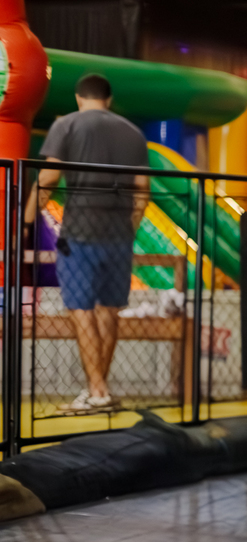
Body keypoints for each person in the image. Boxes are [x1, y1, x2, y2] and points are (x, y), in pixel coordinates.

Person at [25, 73, 149, 414]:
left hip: (79, 234)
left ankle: (97, 392)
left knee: (81, 310)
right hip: (119, 236)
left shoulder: (66, 125)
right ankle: (98, 391)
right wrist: (130, 227)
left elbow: (48, 178)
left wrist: (26, 222)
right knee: (109, 311)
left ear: (79, 98)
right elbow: (143, 189)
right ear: (108, 100)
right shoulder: (133, 132)